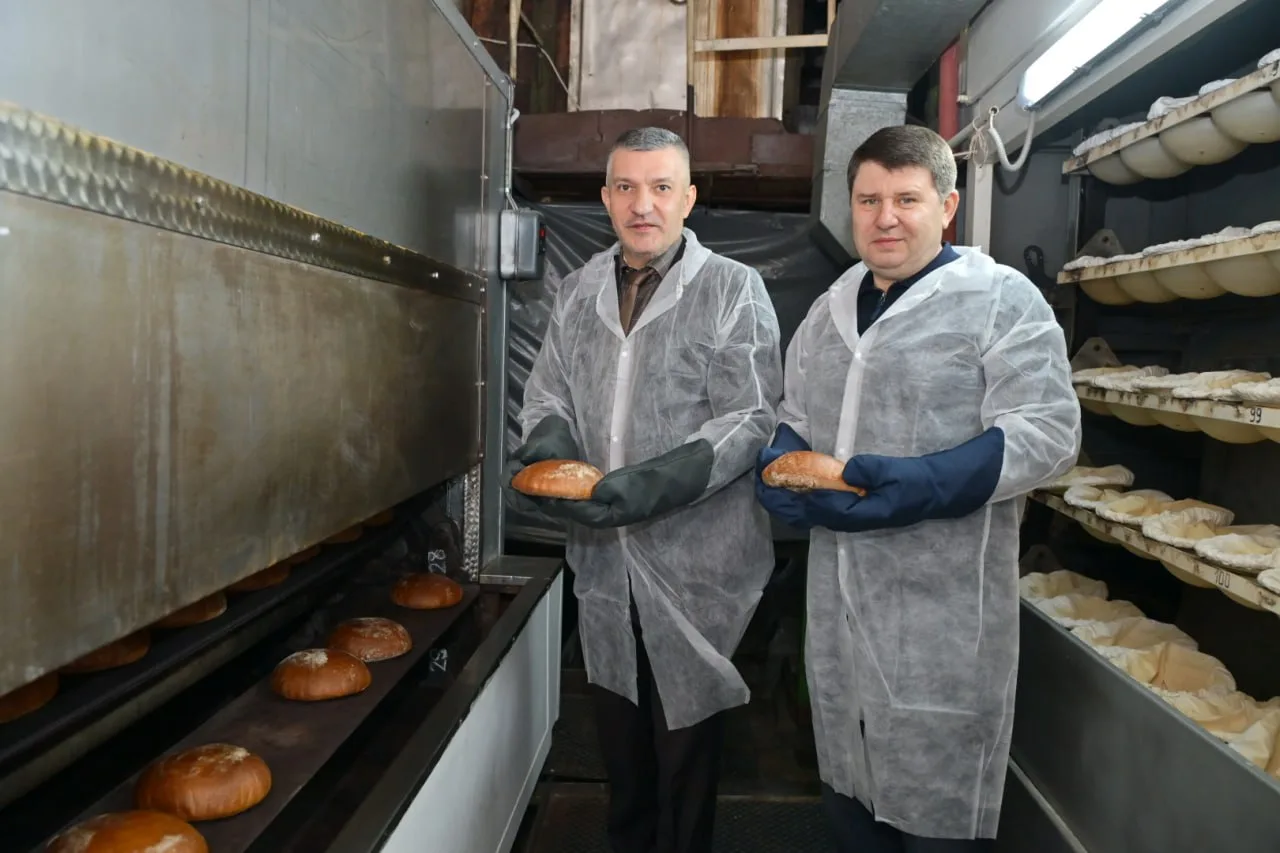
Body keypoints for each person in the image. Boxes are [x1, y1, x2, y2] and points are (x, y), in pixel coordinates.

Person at [755, 124, 1081, 851]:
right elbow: (796, 414)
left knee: (934, 825)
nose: (886, 218)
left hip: (941, 629)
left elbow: (1048, 430)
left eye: (906, 199)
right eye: (868, 200)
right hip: (838, 620)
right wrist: (779, 459)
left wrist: (925, 482)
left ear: (947, 206)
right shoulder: (829, 308)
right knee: (851, 809)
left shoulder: (999, 300)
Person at [508, 126, 783, 853]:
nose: (643, 205)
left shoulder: (731, 289)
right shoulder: (578, 291)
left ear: (688, 198)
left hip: (696, 565)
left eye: (661, 187)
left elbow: (750, 416)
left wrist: (655, 483)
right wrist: (551, 452)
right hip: (604, 561)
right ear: (605, 198)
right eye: (626, 187)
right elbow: (548, 394)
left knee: (685, 750)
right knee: (620, 739)